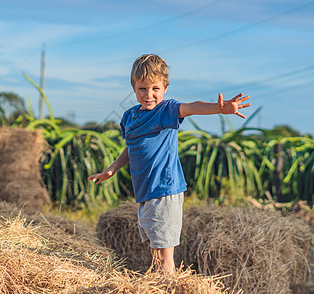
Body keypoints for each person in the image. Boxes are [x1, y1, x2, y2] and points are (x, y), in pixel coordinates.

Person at [88, 54, 251, 274]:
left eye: (155, 88)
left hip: (164, 191)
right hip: (145, 194)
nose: (149, 95)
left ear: (165, 87)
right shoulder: (129, 117)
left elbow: (191, 107)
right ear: (133, 88)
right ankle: (160, 286)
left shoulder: (166, 111)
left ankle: (168, 286)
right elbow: (133, 146)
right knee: (155, 253)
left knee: (165, 257)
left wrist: (219, 108)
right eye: (142, 89)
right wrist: (112, 168)